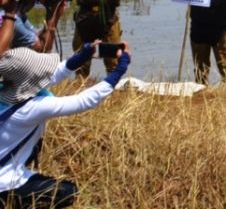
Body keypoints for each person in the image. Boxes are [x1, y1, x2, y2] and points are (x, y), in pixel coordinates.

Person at [0, 42, 131, 208]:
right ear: (31, 81)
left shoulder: (8, 91)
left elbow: (52, 75)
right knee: (67, 191)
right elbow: (85, 101)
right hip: (4, 185)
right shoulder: (31, 108)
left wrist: (82, 57)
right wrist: (119, 70)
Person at [0, 0, 66, 54]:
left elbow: (36, 37)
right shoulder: (13, 19)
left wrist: (52, 11)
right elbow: (43, 50)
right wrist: (53, 16)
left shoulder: (18, 13)